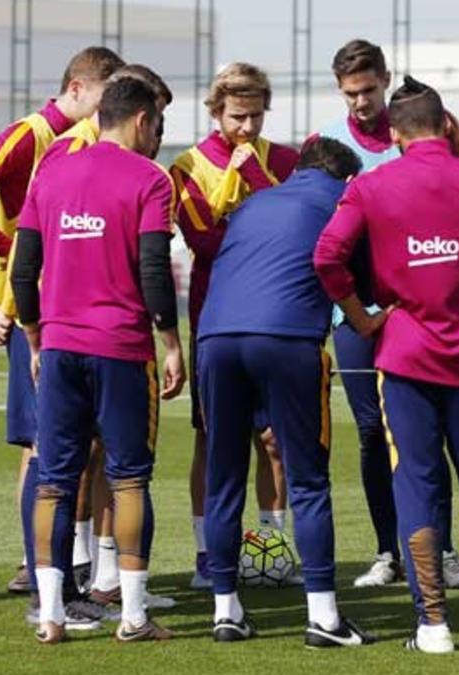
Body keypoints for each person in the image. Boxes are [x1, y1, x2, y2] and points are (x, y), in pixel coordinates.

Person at [315, 75, 459, 655]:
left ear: (396, 132)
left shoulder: (371, 187)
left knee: (417, 488)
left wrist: (359, 316)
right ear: (446, 124)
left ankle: (434, 626)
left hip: (404, 358)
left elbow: (327, 256)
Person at [0, 46, 125, 602]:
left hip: (56, 305)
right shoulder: (31, 134)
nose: (109, 108)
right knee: (46, 445)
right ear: (77, 88)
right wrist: (9, 248)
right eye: (104, 95)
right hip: (36, 309)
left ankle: (63, 563)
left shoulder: (81, 144)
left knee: (72, 443)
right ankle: (37, 566)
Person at [11, 76, 184, 644]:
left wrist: (36, 338)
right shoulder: (149, 181)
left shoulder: (52, 172)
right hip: (121, 349)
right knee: (129, 480)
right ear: (140, 120)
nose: (159, 137)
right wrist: (171, 343)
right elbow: (155, 271)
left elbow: (22, 271)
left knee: (54, 483)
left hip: (60, 349)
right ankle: (133, 616)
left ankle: (53, 616)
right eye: (157, 125)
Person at [313, 38, 459, 590]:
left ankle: (444, 549)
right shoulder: (326, 144)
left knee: (434, 434)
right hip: (356, 316)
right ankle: (389, 550)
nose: (360, 102)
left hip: (418, 311)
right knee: (370, 433)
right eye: (349, 93)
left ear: (386, 80)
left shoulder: (423, 133)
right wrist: (352, 309)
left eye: (368, 89)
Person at [198, 137, 375, 648]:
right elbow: (359, 279)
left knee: (224, 478)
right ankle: (323, 617)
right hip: (289, 338)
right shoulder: (342, 203)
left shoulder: (256, 200)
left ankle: (225, 611)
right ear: (345, 179)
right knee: (308, 481)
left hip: (215, 339)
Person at [169, 62, 299, 589]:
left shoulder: (284, 161)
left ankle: (271, 547)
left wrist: (254, 181)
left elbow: (295, 225)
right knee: (214, 439)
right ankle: (210, 554)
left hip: (275, 318)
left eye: (257, 116)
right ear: (216, 111)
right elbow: (203, 242)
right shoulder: (187, 166)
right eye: (237, 117)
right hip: (215, 317)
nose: (247, 128)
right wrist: (233, 182)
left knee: (273, 440)